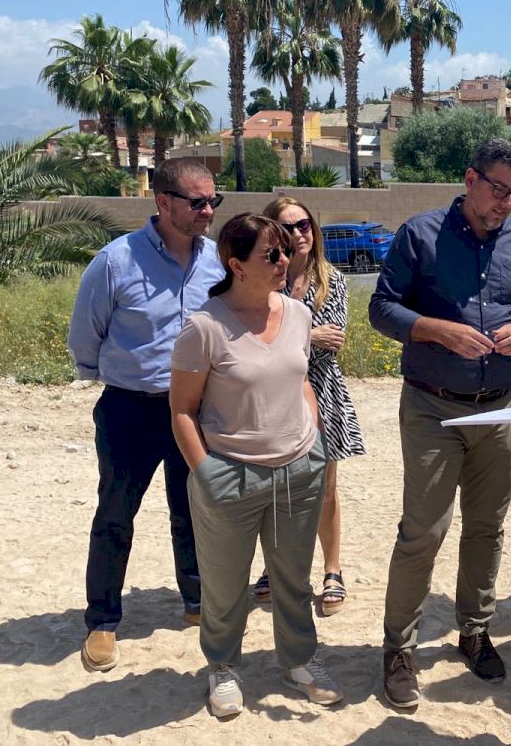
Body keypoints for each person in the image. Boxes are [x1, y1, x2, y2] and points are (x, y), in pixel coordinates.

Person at [369, 139, 511, 709]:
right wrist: (436, 329)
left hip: (502, 406)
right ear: (470, 179)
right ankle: (399, 649)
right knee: (423, 531)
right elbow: (381, 308)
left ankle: (474, 631)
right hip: (433, 407)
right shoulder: (419, 234)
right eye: (498, 189)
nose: (506, 203)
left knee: (486, 527)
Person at [170, 213, 342, 718]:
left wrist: (313, 440)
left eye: (287, 249)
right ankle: (223, 667)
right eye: (272, 254)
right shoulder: (205, 327)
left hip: (299, 469)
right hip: (230, 474)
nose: (286, 260)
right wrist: (206, 473)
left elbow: (302, 380)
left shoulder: (298, 315)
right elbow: (181, 410)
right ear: (236, 265)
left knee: (293, 578)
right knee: (226, 587)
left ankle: (300, 662)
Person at [67, 158, 225, 673]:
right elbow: (85, 335)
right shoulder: (115, 262)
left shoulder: (216, 262)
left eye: (213, 201)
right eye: (197, 202)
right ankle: (103, 621)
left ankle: (197, 602)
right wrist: (116, 378)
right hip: (129, 410)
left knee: (193, 509)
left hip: (195, 410)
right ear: (163, 201)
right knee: (115, 514)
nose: (208, 211)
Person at [254, 196, 365, 614]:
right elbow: (255, 339)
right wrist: (305, 336)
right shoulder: (265, 278)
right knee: (274, 489)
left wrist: (290, 337)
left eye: (304, 224)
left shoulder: (331, 280)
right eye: (288, 227)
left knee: (325, 490)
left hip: (322, 392)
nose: (299, 233)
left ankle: (332, 569)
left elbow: (330, 342)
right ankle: (274, 567)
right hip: (273, 395)